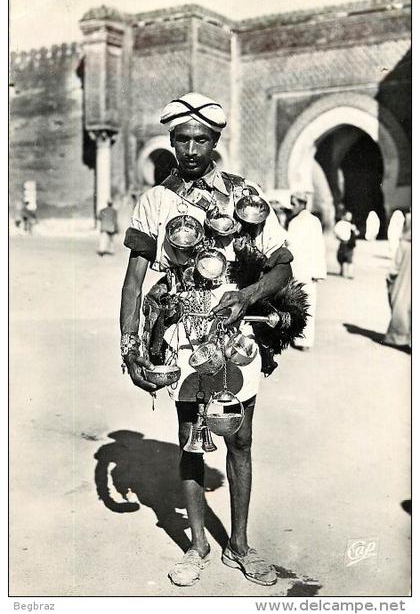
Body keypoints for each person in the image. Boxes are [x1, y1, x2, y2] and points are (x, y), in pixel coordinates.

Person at [120, 92, 297, 588]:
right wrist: (130, 346)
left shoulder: (244, 195)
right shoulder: (155, 202)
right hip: (180, 339)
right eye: (181, 139)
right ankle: (197, 544)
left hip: (236, 335)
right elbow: (134, 280)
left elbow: (282, 265)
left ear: (215, 140)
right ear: (171, 141)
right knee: (191, 441)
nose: (191, 148)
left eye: (201, 139)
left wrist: (247, 296)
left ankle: (239, 544)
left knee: (239, 438)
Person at [286, 192, 326, 351]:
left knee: (308, 305)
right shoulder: (293, 222)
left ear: (303, 204)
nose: (292, 207)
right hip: (296, 269)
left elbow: (319, 247)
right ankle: (295, 336)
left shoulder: (313, 221)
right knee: (295, 304)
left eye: (294, 203)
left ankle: (306, 340)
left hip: (308, 271)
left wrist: (318, 271)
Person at [383, 211, 411, 350]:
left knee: (402, 307)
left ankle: (398, 337)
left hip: (403, 285)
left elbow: (395, 267)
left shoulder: (404, 244)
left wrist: (389, 277)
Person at [334, 211, 359, 279]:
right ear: (344, 216)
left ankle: (349, 273)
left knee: (348, 259)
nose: (349, 217)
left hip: (349, 243)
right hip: (344, 242)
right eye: (348, 216)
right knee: (342, 258)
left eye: (350, 216)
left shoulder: (351, 225)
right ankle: (344, 271)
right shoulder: (341, 223)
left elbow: (356, 233)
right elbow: (336, 232)